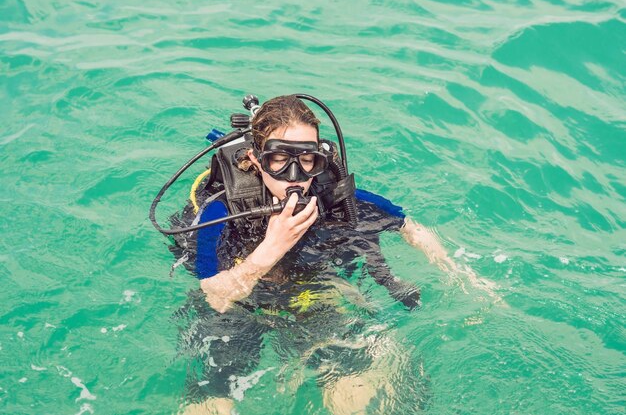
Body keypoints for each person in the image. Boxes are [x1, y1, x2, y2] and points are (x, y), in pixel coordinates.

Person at [166, 95, 492, 414]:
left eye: (306, 160)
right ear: (255, 159)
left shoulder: (330, 196)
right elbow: (215, 298)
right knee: (211, 399)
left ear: (320, 159)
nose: (294, 175)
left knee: (355, 382)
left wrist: (465, 278)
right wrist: (272, 248)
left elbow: (410, 228)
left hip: (307, 298)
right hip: (238, 309)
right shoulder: (221, 213)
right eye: (279, 159)